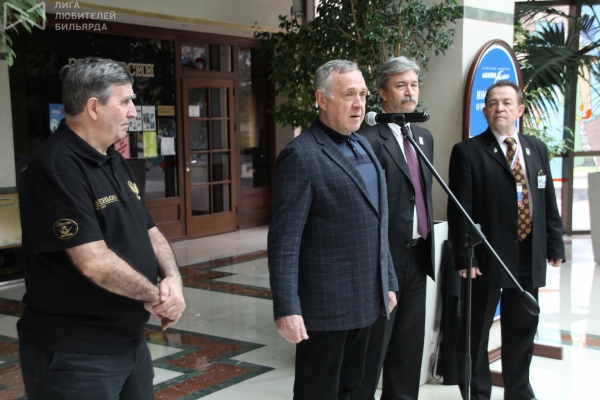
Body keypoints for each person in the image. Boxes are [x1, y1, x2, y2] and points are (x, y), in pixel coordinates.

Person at [18, 57, 186, 399]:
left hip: (129, 344)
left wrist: (172, 279)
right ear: (94, 107)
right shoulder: (56, 167)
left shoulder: (113, 158)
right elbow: (93, 261)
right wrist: (157, 298)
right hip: (77, 354)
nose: (133, 112)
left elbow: (149, 231)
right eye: (125, 102)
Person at [268, 59, 399, 400]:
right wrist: (287, 307)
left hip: (367, 302)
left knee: (355, 390)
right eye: (349, 95)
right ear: (322, 100)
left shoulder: (363, 145)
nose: (359, 104)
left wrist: (388, 280)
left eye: (363, 95)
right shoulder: (301, 156)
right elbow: (284, 242)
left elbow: (377, 222)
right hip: (325, 310)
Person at [447, 80, 565, 400]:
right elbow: (460, 211)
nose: (499, 108)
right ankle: (477, 393)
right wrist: (465, 258)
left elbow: (546, 200)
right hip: (486, 257)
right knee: (476, 332)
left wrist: (555, 244)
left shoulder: (536, 148)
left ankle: (519, 392)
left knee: (522, 329)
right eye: (493, 103)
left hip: (528, 253)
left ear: (520, 109)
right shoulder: (468, 152)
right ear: (485, 111)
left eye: (507, 103)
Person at [355, 56, 436, 400]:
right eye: (401, 85)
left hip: (418, 257)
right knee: (373, 351)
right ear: (383, 93)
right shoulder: (366, 139)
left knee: (408, 350)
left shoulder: (423, 136)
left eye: (414, 85)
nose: (409, 92)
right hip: (382, 262)